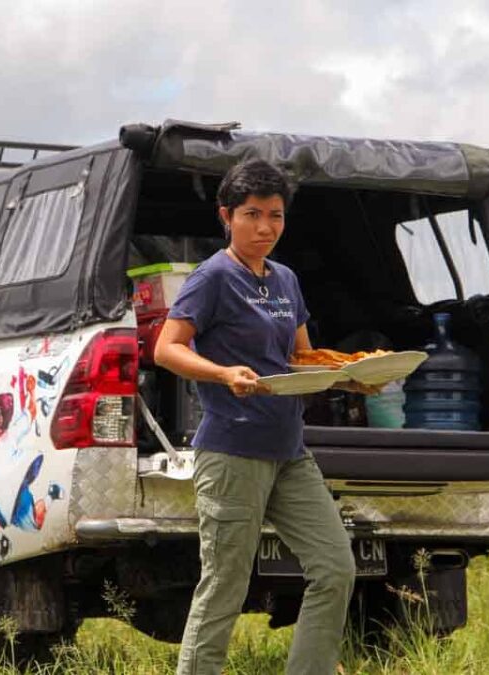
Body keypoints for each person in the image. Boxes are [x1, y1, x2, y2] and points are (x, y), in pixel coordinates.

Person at [155, 159, 378, 675]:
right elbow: (168, 349)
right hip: (231, 451)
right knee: (226, 583)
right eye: (252, 214)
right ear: (226, 216)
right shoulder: (212, 278)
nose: (264, 228)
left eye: (275, 216)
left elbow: (302, 358)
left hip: (289, 452)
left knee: (335, 567)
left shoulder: (286, 281)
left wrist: (353, 375)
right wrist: (222, 373)